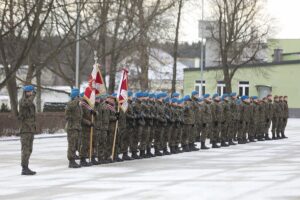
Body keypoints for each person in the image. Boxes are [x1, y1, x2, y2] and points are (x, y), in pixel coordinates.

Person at [19, 85, 37, 175]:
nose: (31, 93)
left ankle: (26, 167)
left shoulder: (30, 101)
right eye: (30, 92)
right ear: (26, 93)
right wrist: (33, 96)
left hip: (30, 129)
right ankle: (24, 168)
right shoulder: (23, 101)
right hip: (25, 130)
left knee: (29, 149)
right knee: (25, 149)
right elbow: (26, 104)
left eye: (32, 92)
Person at [65, 88, 82, 168]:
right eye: (78, 96)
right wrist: (76, 100)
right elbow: (69, 108)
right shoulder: (71, 104)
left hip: (77, 127)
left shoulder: (78, 105)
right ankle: (71, 161)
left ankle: (73, 159)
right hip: (72, 128)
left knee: (75, 144)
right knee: (71, 144)